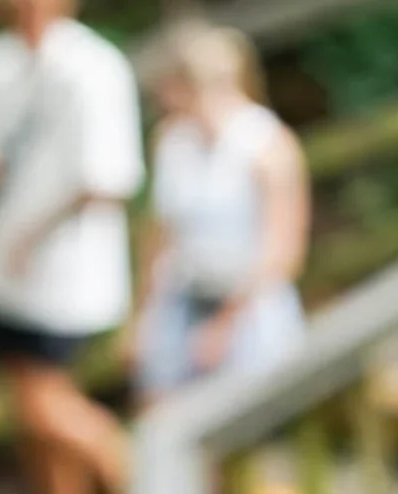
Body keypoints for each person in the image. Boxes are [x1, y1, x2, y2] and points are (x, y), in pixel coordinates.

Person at [0, 0, 143, 494]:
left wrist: (35, 234)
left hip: (66, 272)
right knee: (30, 403)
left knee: (45, 402)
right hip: (4, 269)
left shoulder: (94, 67)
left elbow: (109, 179)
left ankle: (143, 478)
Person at [125, 20, 311, 408]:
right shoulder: (171, 140)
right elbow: (159, 234)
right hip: (182, 300)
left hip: (249, 310)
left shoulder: (268, 146)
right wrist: (142, 318)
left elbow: (283, 251)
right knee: (158, 409)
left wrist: (225, 324)